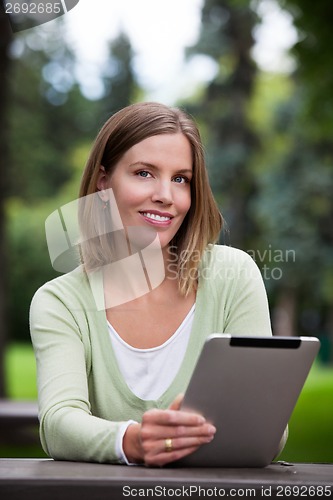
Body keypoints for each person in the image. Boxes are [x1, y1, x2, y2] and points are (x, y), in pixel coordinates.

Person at [30, 101, 280, 467]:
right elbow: (58, 423)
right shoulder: (61, 301)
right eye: (144, 173)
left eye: (181, 178)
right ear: (104, 181)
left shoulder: (235, 276)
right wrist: (132, 441)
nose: (166, 194)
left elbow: (271, 429)